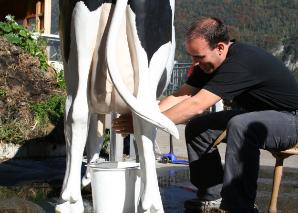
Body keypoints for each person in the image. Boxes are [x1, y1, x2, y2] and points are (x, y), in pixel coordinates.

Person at [113, 16, 298, 213]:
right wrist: (142, 117)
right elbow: (180, 96)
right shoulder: (209, 63)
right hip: (258, 114)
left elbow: (196, 105)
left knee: (241, 125)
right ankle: (213, 196)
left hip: (291, 119)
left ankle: (239, 207)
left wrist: (143, 124)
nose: (195, 62)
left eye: (199, 57)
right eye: (192, 56)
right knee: (198, 127)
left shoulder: (241, 62)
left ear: (219, 47)